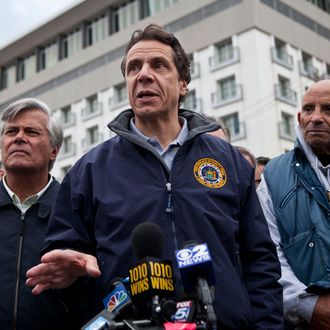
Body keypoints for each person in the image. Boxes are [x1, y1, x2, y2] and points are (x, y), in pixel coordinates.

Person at [26, 24, 283, 329]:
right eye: (134, 68)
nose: (143, 74)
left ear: (183, 82)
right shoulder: (90, 169)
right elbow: (62, 255)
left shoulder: (228, 162)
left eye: (158, 65)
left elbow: (261, 261)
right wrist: (70, 268)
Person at [0, 98, 81, 329]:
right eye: (11, 131)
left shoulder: (75, 210)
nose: (18, 137)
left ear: (54, 150)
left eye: (32, 131)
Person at [257, 79, 330, 329]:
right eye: (309, 109)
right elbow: (267, 252)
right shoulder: (273, 175)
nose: (316, 118)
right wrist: (307, 305)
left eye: (328, 109)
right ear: (299, 118)